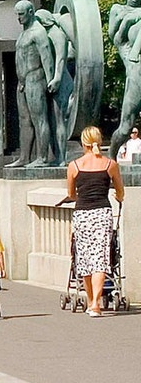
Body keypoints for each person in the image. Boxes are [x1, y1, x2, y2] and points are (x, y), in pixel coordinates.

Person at [67, 125, 124, 317]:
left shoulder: (74, 166)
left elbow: (71, 194)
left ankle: (91, 299)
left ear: (83, 143)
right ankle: (96, 304)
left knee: (84, 258)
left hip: (83, 213)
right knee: (101, 258)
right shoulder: (110, 165)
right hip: (102, 213)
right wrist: (119, 197)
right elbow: (120, 190)